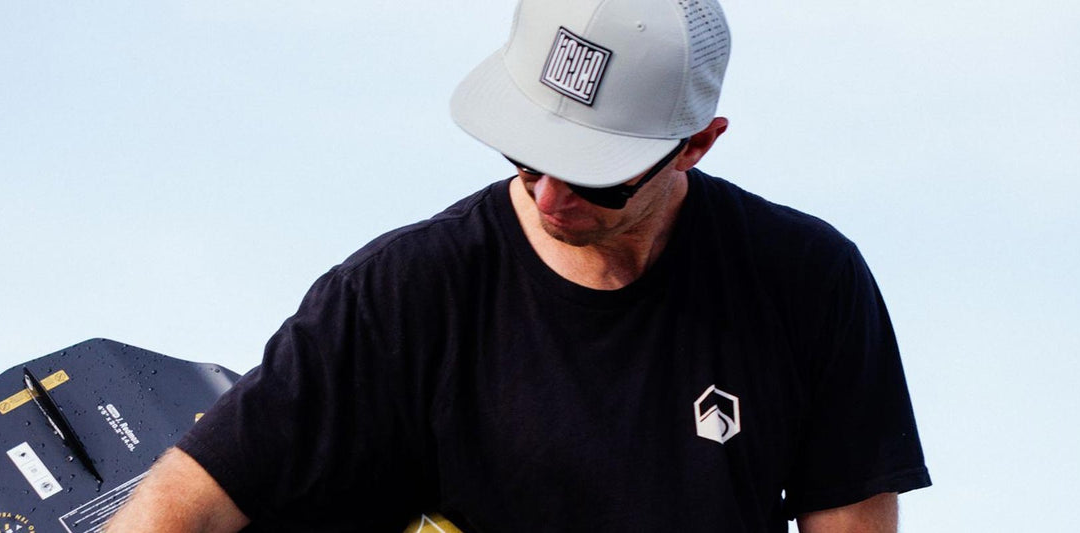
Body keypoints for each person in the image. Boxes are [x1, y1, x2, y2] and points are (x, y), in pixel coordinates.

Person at [107, 0, 930, 531]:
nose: (548, 196)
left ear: (697, 145)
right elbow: (186, 502)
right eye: (529, 155)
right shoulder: (401, 297)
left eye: (594, 174)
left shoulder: (808, 285)